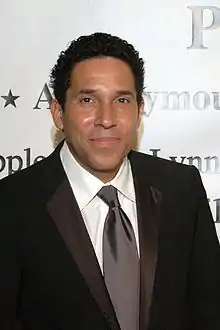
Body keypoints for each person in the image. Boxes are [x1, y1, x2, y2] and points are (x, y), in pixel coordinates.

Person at [0, 32, 219, 330]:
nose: (107, 118)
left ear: (140, 111)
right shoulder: (11, 205)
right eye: (88, 99)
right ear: (58, 113)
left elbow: (208, 311)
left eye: (122, 99)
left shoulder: (181, 188)